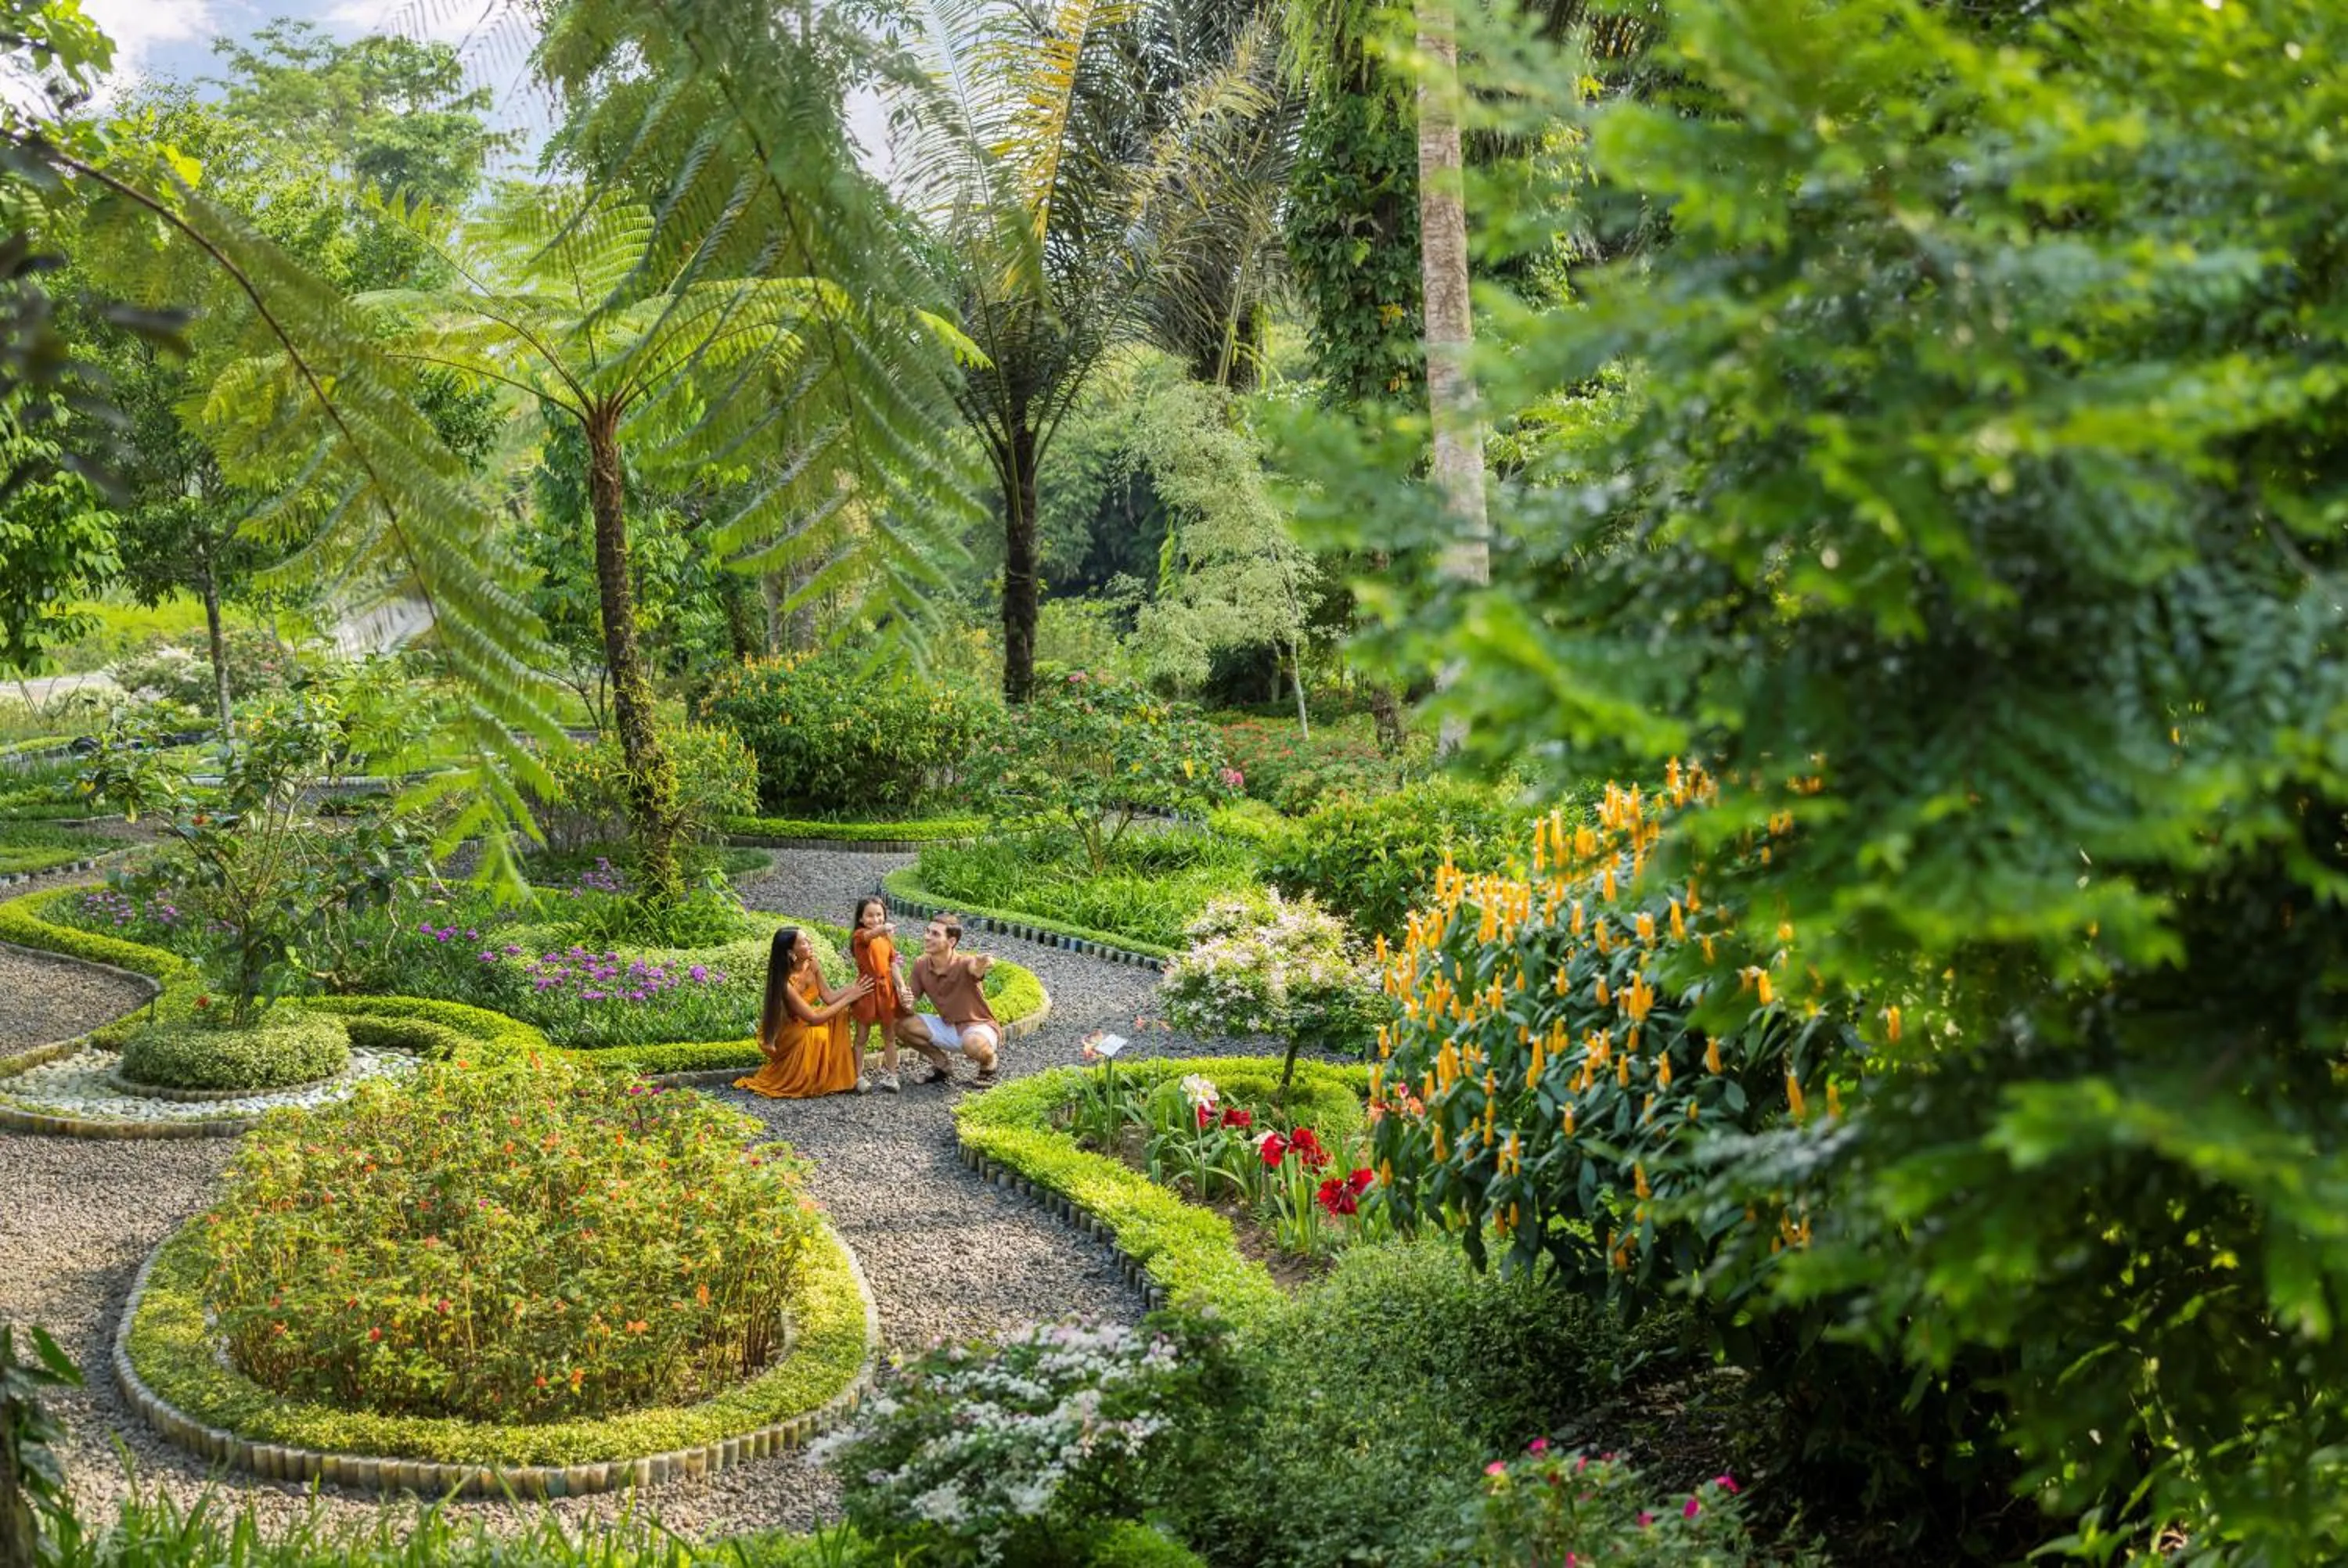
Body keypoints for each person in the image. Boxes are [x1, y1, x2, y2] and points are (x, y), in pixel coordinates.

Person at [733, 926, 872, 1099]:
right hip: (788, 1031)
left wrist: (857, 987)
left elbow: (829, 997)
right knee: (818, 1033)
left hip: (805, 1019)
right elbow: (814, 1019)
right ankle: (810, 1079)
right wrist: (850, 997)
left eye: (808, 939)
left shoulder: (812, 963)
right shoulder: (786, 984)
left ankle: (836, 1077)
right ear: (791, 952)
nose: (810, 943)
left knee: (839, 1014)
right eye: (804, 942)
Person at [895, 913, 1000, 1088]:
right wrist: (905, 1002)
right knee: (900, 1024)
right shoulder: (920, 964)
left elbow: (976, 969)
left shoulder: (965, 962)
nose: (927, 937)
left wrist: (982, 963)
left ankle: (988, 1063)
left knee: (972, 1044)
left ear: (951, 942)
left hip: (979, 1026)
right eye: (927, 931)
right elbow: (911, 1003)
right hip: (948, 1025)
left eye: (935, 934)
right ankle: (942, 1064)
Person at [847, 895, 913, 1093]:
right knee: (862, 1036)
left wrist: (901, 986)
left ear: (884, 916)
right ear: (861, 918)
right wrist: (882, 928)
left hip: (886, 990)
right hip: (867, 990)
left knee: (889, 1035)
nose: (875, 919)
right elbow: (869, 936)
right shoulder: (860, 936)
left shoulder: (886, 937)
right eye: (870, 916)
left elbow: (893, 963)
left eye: (879, 915)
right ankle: (857, 1076)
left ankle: (893, 1075)